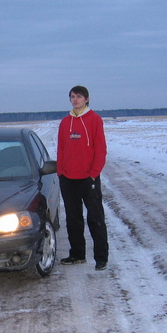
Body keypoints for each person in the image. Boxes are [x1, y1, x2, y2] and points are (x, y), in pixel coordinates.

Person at [57, 85, 109, 270]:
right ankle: (77, 254)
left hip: (89, 179)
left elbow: (100, 150)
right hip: (68, 179)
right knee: (73, 219)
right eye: (72, 96)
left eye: (79, 96)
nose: (75, 100)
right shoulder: (65, 122)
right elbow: (61, 149)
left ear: (86, 99)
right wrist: (61, 172)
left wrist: (93, 174)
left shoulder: (94, 120)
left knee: (95, 218)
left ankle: (101, 258)